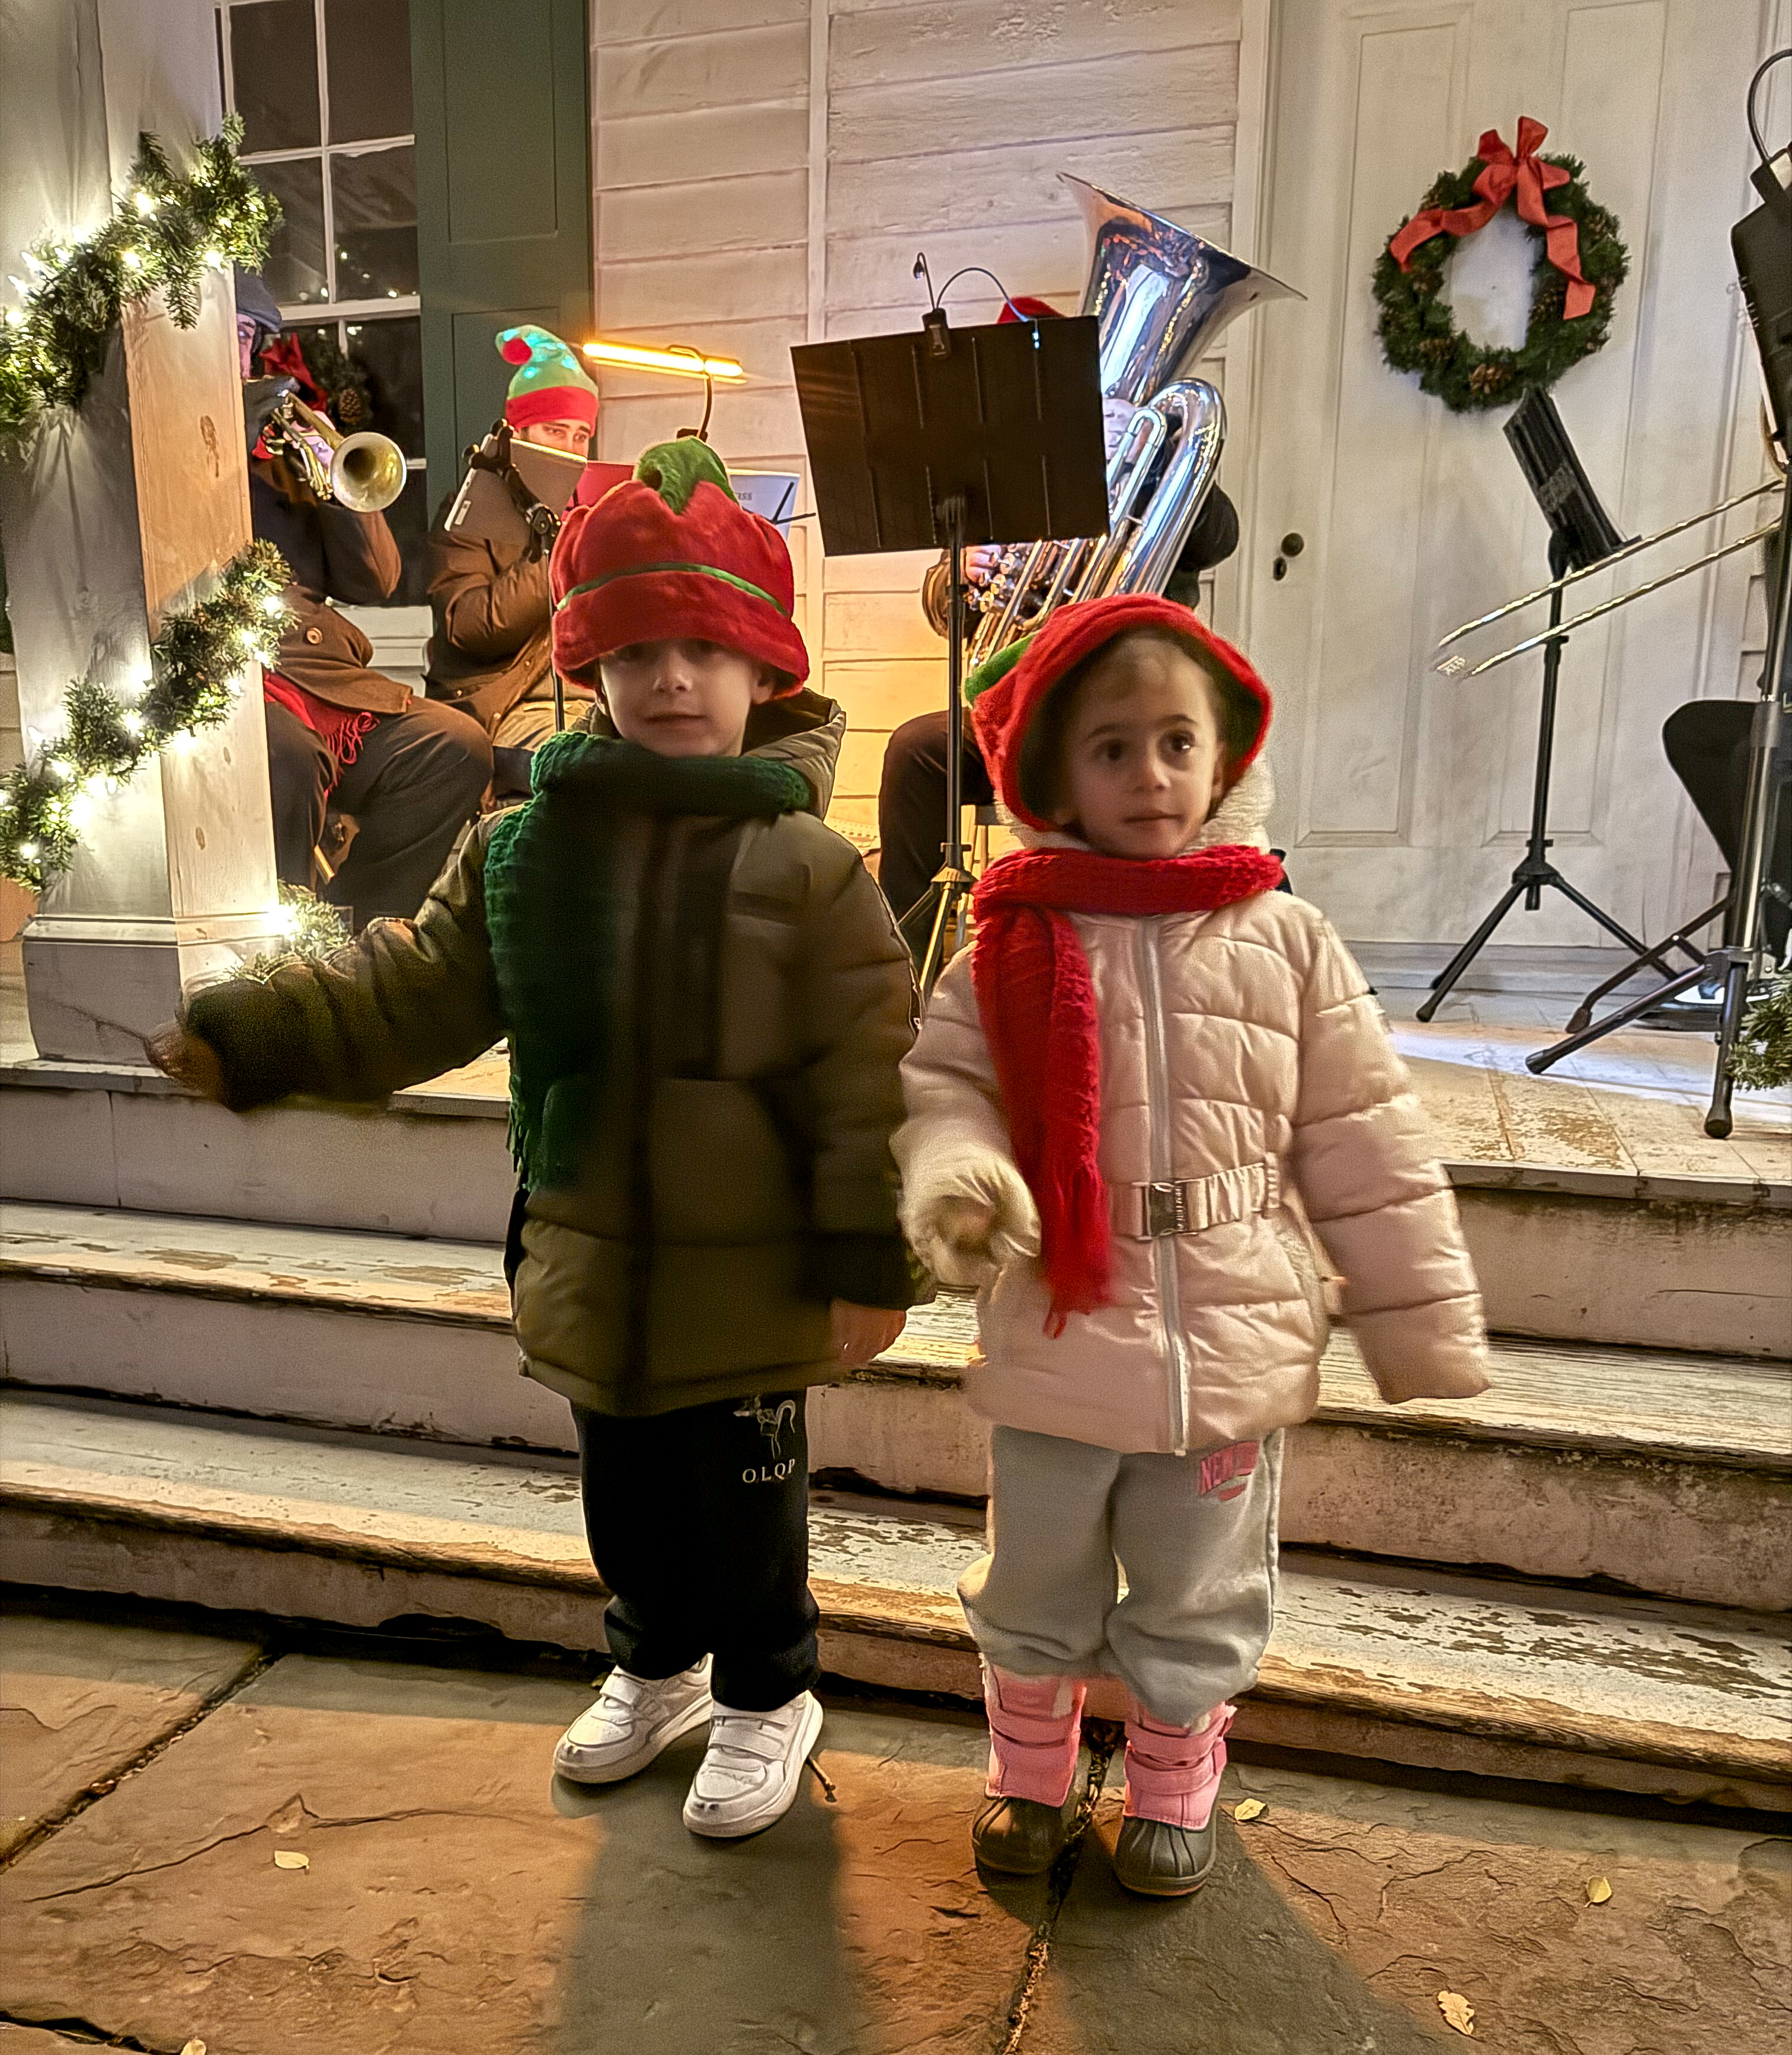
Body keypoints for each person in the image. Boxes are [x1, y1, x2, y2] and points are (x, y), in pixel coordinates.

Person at [148, 438, 920, 1843]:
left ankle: (766, 1689)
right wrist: (262, 1034)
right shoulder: (525, 845)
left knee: (748, 1504)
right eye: (635, 653)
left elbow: (866, 1076)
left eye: (703, 649)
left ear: (766, 676)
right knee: (626, 1486)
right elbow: (414, 989)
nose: (670, 681)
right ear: (591, 675)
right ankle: (657, 1665)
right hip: (582, 1233)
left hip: (753, 1264)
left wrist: (869, 1255)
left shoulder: (809, 867)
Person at [894, 593, 1490, 1897]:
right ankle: (1029, 1774)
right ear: (1055, 770)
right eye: (1114, 748)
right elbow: (947, 1094)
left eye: (1179, 741)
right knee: (1036, 1573)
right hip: (1061, 1320)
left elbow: (1365, 1139)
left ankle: (1174, 1780)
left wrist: (1418, 1317)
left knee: (1197, 1584)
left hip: (1229, 1324)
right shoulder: (1007, 943)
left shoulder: (1283, 938)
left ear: (1227, 757)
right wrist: (964, 1178)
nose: (1152, 775)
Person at [876, 295, 1243, 927]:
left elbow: (1219, 537)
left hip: (1138, 696)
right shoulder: (995, 475)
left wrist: (1148, 462)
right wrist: (960, 574)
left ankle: (1256, 932)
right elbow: (942, 605)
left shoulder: (1149, 456)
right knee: (916, 754)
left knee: (1215, 758)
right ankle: (903, 959)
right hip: (1023, 703)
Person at [235, 268, 493, 928]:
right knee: (285, 756)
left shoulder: (288, 441)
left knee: (454, 744)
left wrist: (332, 477)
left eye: (242, 336)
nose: (231, 355)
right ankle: (284, 946)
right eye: (216, 335)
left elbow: (374, 582)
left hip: (316, 670)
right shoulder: (156, 437)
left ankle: (367, 930)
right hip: (229, 669)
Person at [424, 325, 632, 771]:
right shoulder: (468, 509)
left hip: (597, 701)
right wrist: (560, 553)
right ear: (518, 434)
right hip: (504, 704)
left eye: (581, 436)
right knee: (592, 770)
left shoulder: (592, 507)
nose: (572, 449)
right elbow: (468, 626)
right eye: (556, 431)